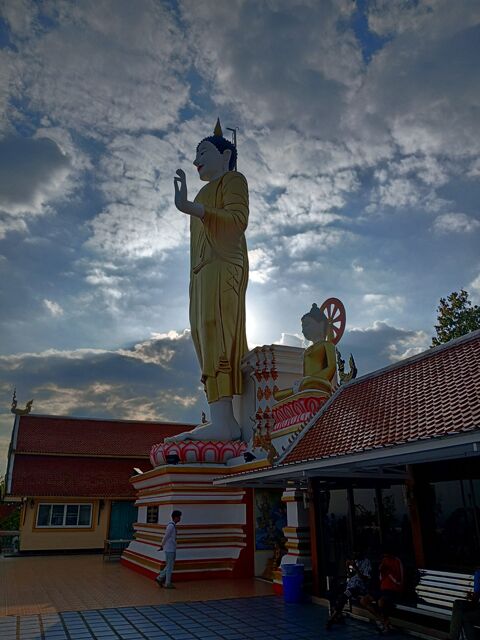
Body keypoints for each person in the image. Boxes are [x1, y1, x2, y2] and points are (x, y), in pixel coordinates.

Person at [165, 119, 249, 444]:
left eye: (203, 151)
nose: (196, 160)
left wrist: (195, 209)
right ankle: (219, 417)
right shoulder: (202, 192)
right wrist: (193, 207)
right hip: (200, 274)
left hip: (223, 267)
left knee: (218, 330)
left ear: (225, 156)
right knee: (202, 336)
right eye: (195, 154)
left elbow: (238, 221)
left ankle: (226, 420)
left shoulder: (233, 180)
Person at [274, 303, 337, 401]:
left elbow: (332, 367)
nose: (303, 330)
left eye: (307, 325)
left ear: (321, 324)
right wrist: (304, 382)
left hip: (319, 383)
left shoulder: (327, 345)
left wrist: (311, 380)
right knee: (277, 395)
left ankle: (301, 387)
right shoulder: (307, 351)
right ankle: (300, 389)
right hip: (305, 385)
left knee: (307, 382)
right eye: (302, 327)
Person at [360, 549, 404, 634]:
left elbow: (398, 581)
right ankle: (383, 621)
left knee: (381, 602)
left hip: (393, 589)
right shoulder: (384, 560)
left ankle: (385, 626)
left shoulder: (397, 561)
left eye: (386, 555)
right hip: (382, 589)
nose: (384, 557)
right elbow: (381, 578)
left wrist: (387, 571)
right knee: (363, 600)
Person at [326, 551, 372, 630]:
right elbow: (351, 576)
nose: (354, 554)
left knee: (343, 596)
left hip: (358, 587)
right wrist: (347, 567)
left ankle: (332, 618)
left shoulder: (367, 562)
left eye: (356, 552)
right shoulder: (356, 561)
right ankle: (338, 615)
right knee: (332, 593)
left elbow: (365, 579)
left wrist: (356, 568)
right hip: (349, 585)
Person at [449, 568, 480, 640]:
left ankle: (452, 638)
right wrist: (472, 597)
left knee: (464, 616)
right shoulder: (478, 573)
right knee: (458, 604)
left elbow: (475, 600)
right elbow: (475, 599)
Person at [156, 510, 182, 589]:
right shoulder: (171, 526)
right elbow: (166, 536)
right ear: (176, 517)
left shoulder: (172, 526)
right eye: (179, 517)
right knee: (170, 566)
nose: (180, 519)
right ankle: (167, 583)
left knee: (169, 565)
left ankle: (160, 578)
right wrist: (162, 545)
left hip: (171, 548)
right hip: (169, 549)